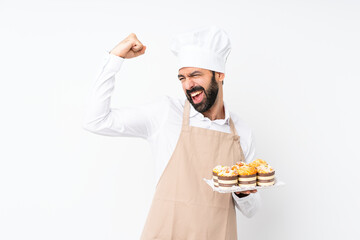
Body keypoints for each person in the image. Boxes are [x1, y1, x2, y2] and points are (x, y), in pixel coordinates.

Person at [83, 25, 261, 239]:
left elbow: (252, 210)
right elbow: (96, 121)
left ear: (220, 74)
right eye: (182, 78)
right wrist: (115, 57)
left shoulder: (241, 132)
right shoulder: (165, 114)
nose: (188, 85)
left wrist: (243, 193)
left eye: (195, 75)